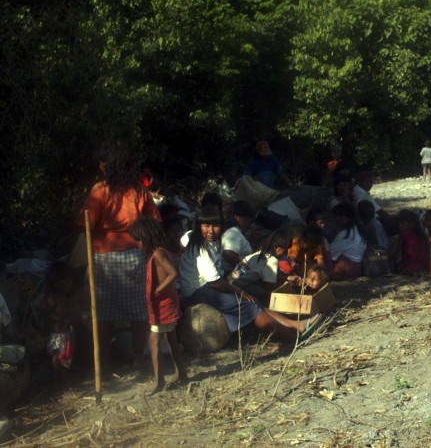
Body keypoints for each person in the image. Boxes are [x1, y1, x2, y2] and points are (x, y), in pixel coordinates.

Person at [178, 205, 319, 340]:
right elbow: (215, 283)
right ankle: (292, 337)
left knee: (253, 301)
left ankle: (296, 325)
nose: (211, 230)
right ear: (199, 226)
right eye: (206, 226)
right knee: (249, 305)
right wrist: (239, 291)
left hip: (208, 288)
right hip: (198, 292)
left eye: (215, 226)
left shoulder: (211, 243)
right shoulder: (200, 247)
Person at [77, 141, 160, 368]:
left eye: (103, 162)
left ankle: (103, 360)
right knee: (138, 311)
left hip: (105, 257)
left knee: (103, 312)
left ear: (109, 165)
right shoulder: (139, 191)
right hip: (135, 255)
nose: (100, 166)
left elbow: (85, 222)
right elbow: (155, 222)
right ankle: (137, 356)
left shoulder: (100, 190)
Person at [129, 216, 188, 393]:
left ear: (145, 238)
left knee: (153, 342)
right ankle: (181, 373)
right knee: (171, 339)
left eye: (138, 241)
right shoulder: (159, 252)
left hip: (163, 304)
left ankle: (159, 381)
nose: (137, 245)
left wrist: (157, 291)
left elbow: (173, 273)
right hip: (164, 303)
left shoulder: (158, 254)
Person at [45, 262, 76, 376]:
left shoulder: (65, 296)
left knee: (66, 354)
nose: (69, 284)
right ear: (56, 283)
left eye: (70, 280)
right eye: (65, 281)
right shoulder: (52, 297)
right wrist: (63, 320)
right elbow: (47, 314)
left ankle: (64, 374)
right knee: (56, 356)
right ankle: (56, 376)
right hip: (57, 334)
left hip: (66, 332)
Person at [328, 202, 367, 281]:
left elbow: (330, 255)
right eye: (336, 217)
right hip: (357, 268)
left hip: (347, 269)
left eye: (340, 217)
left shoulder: (346, 235)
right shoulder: (358, 229)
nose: (337, 219)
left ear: (348, 218)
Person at [221, 200, 255, 275]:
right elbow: (228, 253)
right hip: (230, 273)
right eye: (246, 219)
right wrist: (244, 267)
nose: (249, 223)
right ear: (236, 217)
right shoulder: (233, 232)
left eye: (250, 220)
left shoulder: (236, 232)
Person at [395, 209, 429, 275]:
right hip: (425, 266)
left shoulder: (404, 235)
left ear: (412, 224)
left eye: (403, 223)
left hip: (410, 268)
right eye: (400, 223)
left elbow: (396, 252)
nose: (400, 225)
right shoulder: (421, 234)